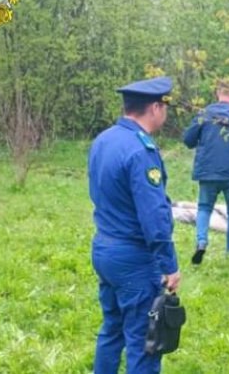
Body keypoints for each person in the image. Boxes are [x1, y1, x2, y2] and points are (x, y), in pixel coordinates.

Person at [88, 76, 181, 374]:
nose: (166, 114)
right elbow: (154, 217)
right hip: (134, 259)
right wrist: (169, 265)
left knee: (112, 331)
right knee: (145, 343)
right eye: (165, 107)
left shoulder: (104, 139)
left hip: (104, 249)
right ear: (155, 108)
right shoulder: (142, 151)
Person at [183, 78, 229, 264]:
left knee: (204, 208)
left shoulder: (205, 114)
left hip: (208, 172)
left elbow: (188, 140)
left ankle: (201, 241)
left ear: (217, 93)